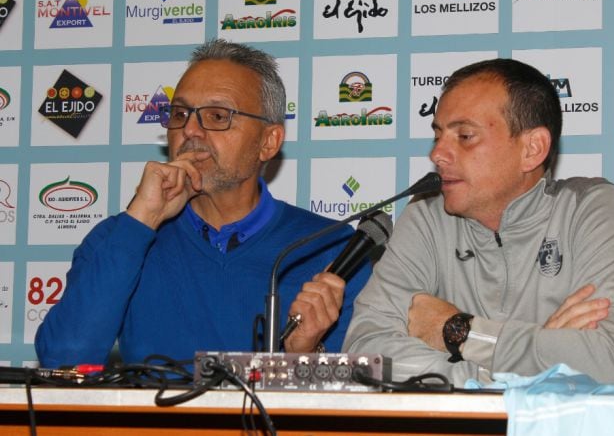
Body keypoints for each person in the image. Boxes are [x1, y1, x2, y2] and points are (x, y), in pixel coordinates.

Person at [35, 39, 371, 368]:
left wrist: (305, 354)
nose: (190, 130)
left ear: (268, 142)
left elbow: (359, 401)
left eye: (217, 115)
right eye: (180, 113)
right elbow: (63, 361)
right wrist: (142, 218)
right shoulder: (123, 237)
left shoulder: (332, 249)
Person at [343, 59, 614, 385]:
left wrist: (457, 330)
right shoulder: (426, 216)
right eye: (438, 135)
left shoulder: (587, 208)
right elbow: (364, 355)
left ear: (532, 149)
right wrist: (500, 377)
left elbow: (612, 364)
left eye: (466, 136)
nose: (437, 154)